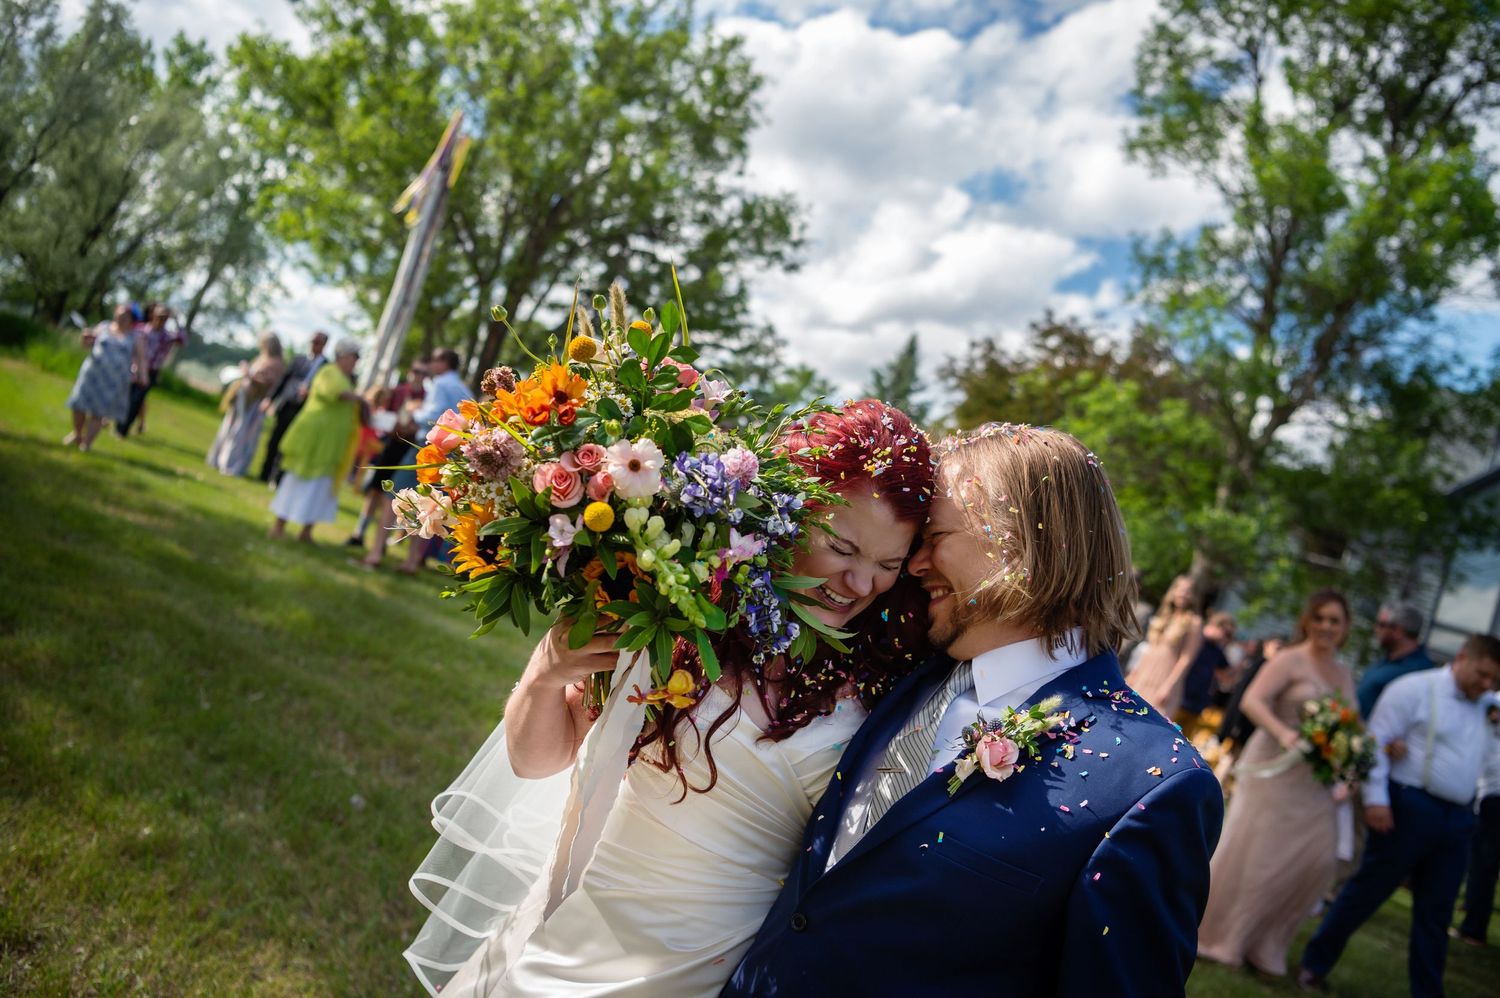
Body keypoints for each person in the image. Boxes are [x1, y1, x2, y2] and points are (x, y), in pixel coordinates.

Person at [403, 402, 934, 996]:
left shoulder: (887, 680)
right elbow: (536, 762)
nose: (862, 584)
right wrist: (544, 675)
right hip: (569, 931)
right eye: (841, 547)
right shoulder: (676, 606)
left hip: (695, 975)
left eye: (888, 564)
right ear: (790, 514)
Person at [723, 423, 1224, 996]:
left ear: (1024, 541)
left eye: (935, 537)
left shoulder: (1148, 785)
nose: (914, 564)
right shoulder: (907, 674)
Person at [1298, 634, 1500, 996]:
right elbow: (1375, 741)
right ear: (1464, 657)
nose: (1487, 685)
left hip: (1458, 820)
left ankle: (1427, 991)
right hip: (1410, 807)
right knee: (1366, 891)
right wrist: (1376, 799)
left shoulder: (1488, 706)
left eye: (1495, 681)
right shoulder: (1414, 689)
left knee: (1436, 914)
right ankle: (1315, 964)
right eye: (1483, 675)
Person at [1197, 591, 1355, 976]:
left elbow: (1351, 726)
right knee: (1259, 855)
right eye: (1320, 618)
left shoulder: (1345, 673)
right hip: (1273, 765)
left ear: (1345, 627)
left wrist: (1349, 763)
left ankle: (1267, 943)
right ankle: (1222, 935)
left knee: (1314, 860)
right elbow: (1252, 700)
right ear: (1308, 621)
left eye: (1335, 621)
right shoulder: (1290, 659)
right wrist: (1285, 734)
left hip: (1314, 779)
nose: (1327, 627)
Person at [361, 348, 471, 572]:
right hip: (450, 453)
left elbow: (430, 417)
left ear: (444, 363)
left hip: (427, 448)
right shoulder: (461, 386)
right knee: (430, 503)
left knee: (390, 497)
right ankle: (411, 561)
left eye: (434, 359)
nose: (430, 363)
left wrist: (415, 410)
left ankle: (374, 554)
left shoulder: (440, 383)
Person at [268, 339, 366, 543]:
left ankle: (306, 531)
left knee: (321, 488)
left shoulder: (348, 379)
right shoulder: (328, 371)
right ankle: (279, 525)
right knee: (297, 480)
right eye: (353, 358)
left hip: (331, 445)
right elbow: (332, 393)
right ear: (343, 356)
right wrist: (358, 398)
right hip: (313, 441)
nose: (355, 362)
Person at [65, 304, 146, 452]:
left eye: (125, 316)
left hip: (113, 381)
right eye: (119, 314)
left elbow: (141, 359)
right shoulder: (103, 327)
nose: (121, 318)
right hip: (92, 374)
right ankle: (77, 434)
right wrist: (85, 338)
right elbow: (86, 345)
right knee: (79, 405)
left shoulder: (135, 337)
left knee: (98, 412)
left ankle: (87, 444)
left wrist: (142, 376)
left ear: (131, 319)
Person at [206, 332, 285, 476]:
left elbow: (269, 384)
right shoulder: (262, 358)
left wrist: (248, 373)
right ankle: (217, 459)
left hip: (255, 403)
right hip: (243, 398)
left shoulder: (276, 363)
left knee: (241, 434)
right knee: (229, 429)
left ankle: (232, 466)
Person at [1127, 573, 1204, 716]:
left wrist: (1169, 686)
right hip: (1143, 674)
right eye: (1180, 589)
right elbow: (1149, 649)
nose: (1182, 594)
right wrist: (1134, 672)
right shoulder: (1164, 616)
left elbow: (1186, 660)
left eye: (1187, 591)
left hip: (1165, 679)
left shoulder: (1194, 622)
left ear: (1193, 595)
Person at [1456, 699, 1500, 946]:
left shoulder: (1493, 702)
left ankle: (1473, 929)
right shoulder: (1491, 700)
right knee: (1482, 861)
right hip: (1485, 791)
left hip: (1493, 795)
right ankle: (1472, 913)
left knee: (1483, 862)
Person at [258, 331, 329, 483]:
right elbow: (283, 381)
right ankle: (264, 474)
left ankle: (278, 478)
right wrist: (269, 399)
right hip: (287, 404)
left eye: (317, 342)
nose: (313, 345)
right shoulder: (299, 360)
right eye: (312, 342)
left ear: (324, 345)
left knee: (290, 445)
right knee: (274, 440)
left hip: (305, 410)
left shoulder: (325, 367)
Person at [118, 303, 187, 437]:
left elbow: (183, 341)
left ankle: (122, 430)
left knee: (137, 400)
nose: (162, 320)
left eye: (165, 317)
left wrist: (178, 320)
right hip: (133, 368)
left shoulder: (167, 336)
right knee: (125, 397)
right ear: (152, 315)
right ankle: (118, 424)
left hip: (151, 372)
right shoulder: (140, 329)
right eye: (160, 316)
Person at [1356, 601, 1433, 719]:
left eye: (1381, 624)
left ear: (1398, 631)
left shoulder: (1421, 672)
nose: (1375, 629)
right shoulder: (1386, 661)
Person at [1179, 610, 1237, 731]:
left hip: (1197, 704)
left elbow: (1226, 677)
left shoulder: (1217, 651)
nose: (1227, 639)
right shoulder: (1194, 640)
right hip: (1179, 698)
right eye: (1227, 634)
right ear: (1215, 625)